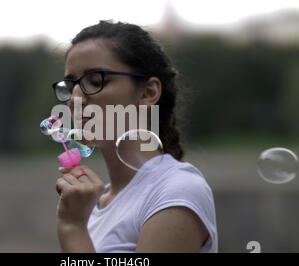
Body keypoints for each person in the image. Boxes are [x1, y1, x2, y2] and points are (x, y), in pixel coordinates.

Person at [53, 20, 217, 253]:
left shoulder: (175, 189)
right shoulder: (92, 205)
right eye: (71, 86)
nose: (74, 98)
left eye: (96, 81)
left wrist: (72, 228)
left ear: (148, 93)